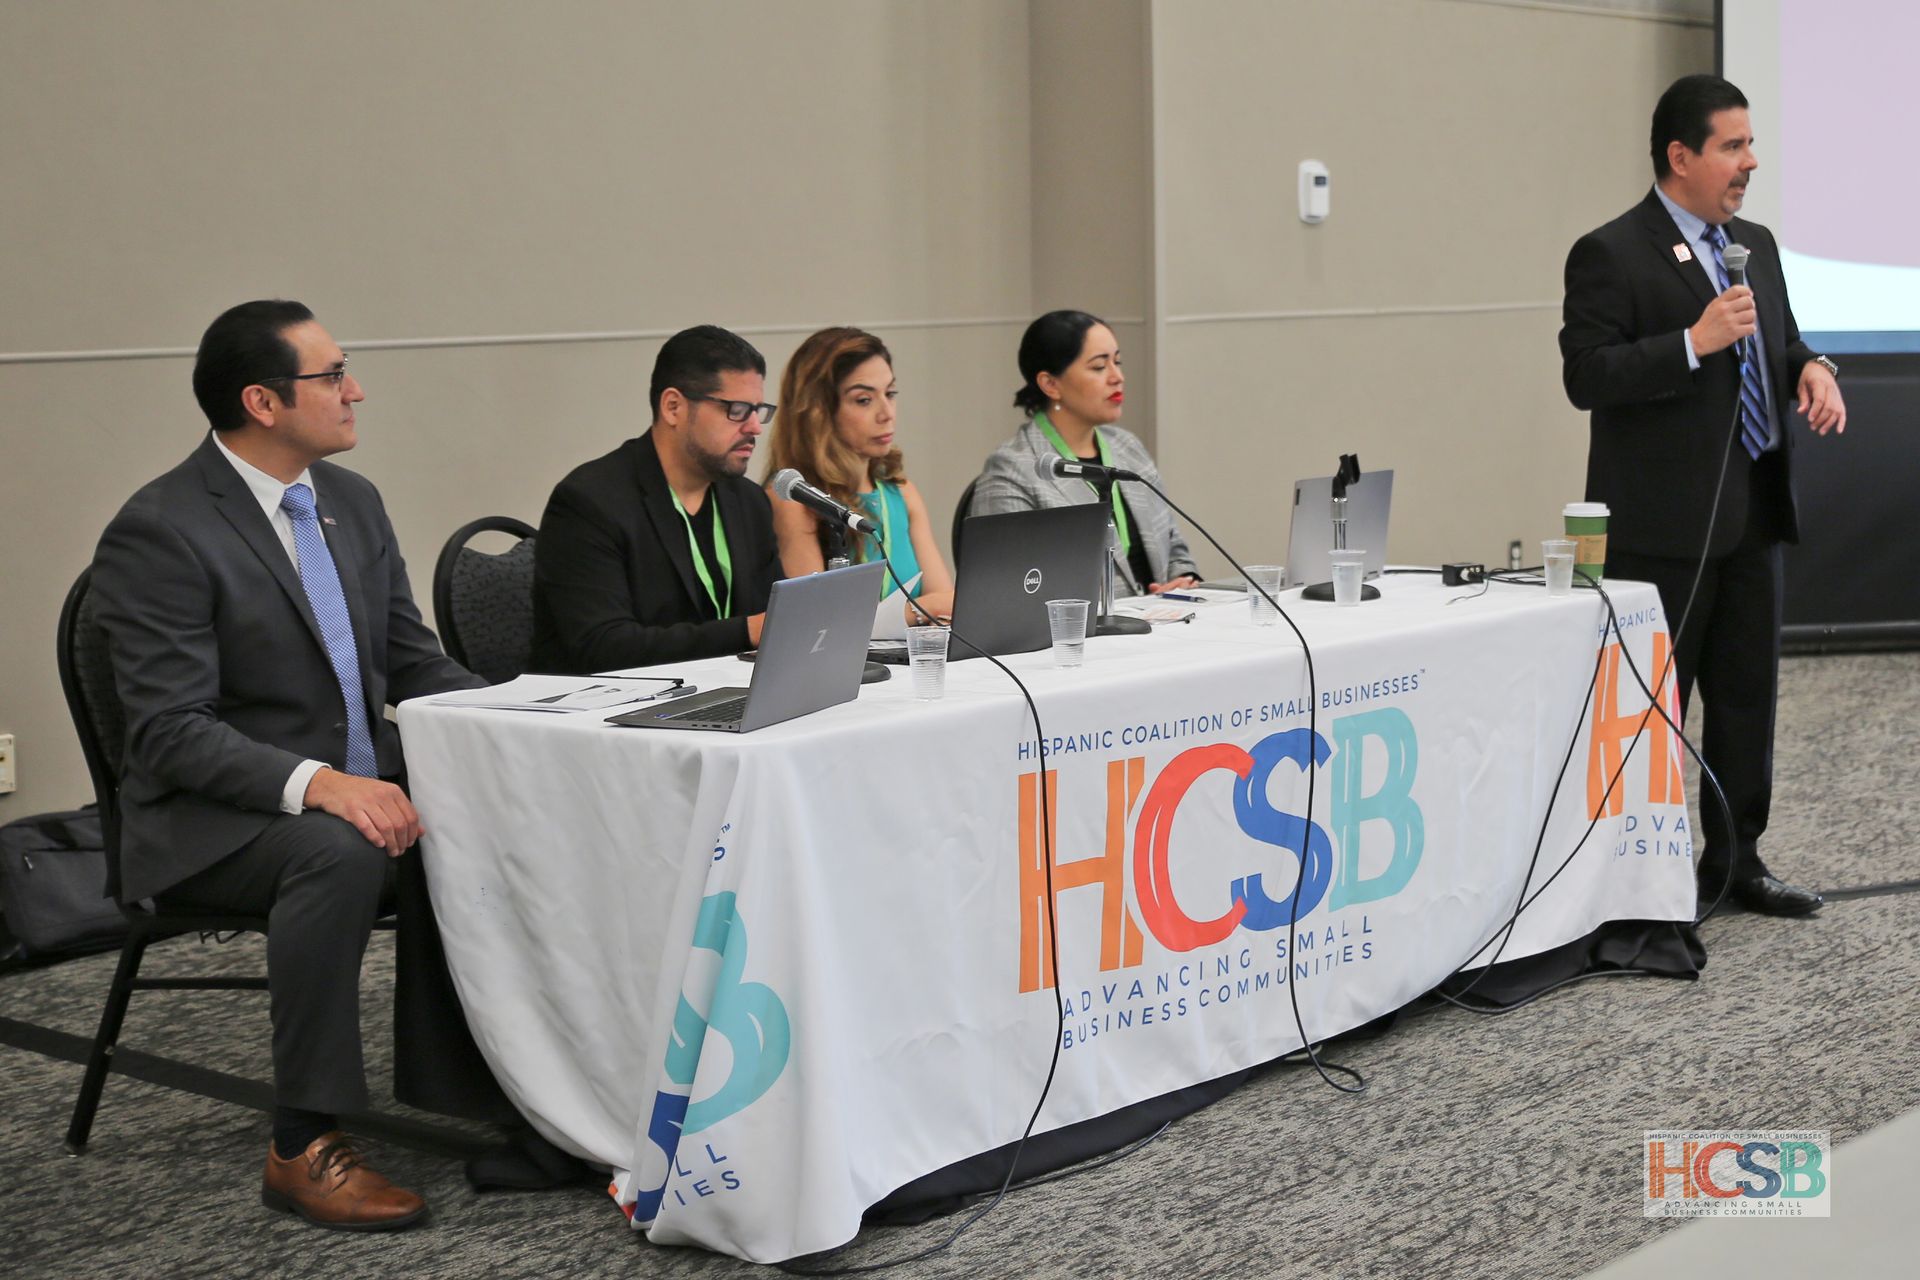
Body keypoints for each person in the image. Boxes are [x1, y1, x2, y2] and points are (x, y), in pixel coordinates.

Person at [90, 300, 491, 1229]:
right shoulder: (162, 529)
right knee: (340, 849)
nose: (356, 390)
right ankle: (301, 1145)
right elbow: (169, 733)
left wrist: (525, 717)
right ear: (262, 402)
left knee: (483, 809)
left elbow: (414, 662)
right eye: (333, 375)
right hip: (212, 821)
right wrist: (325, 786)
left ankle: (486, 1089)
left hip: (340, 791)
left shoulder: (350, 502)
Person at [1559, 74, 1845, 918]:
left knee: (1747, 695)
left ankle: (1738, 861)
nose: (1750, 162)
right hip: (1665, 528)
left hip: (1752, 509)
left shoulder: (1752, 240)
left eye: (1751, 144)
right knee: (1655, 710)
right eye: (1733, 146)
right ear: (1681, 156)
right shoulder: (1610, 251)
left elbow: (1778, 340)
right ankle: (1635, 881)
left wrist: (1812, 367)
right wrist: (1690, 342)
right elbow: (1587, 375)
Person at [532, 325, 784, 674]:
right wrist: (744, 632)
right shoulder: (590, 502)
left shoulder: (748, 502)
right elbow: (602, 646)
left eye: (759, 410)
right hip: (612, 714)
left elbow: (773, 617)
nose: (755, 427)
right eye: (738, 409)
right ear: (673, 407)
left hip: (724, 694)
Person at [971, 310, 1200, 595]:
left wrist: (1182, 581)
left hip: (1163, 629)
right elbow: (1008, 590)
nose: (1117, 377)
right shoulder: (1011, 471)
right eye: (1099, 367)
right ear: (1050, 384)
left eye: (1117, 362)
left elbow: (1174, 546)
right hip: (1081, 638)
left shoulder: (1128, 448)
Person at [764, 327, 955, 622]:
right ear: (818, 411)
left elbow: (948, 601)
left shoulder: (902, 492)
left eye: (890, 394)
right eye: (864, 400)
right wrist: (915, 611)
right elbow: (820, 622)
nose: (886, 413)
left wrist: (892, 616)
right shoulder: (795, 501)